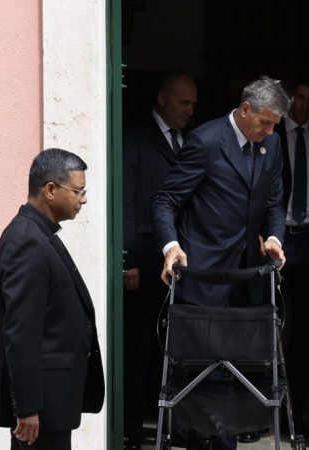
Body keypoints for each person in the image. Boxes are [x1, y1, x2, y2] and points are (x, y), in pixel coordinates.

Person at [151, 75, 290, 450]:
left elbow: (274, 203)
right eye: (265, 122)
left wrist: (274, 238)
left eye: (275, 124)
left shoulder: (272, 144)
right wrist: (170, 246)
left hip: (248, 274)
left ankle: (229, 435)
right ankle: (208, 441)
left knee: (243, 365)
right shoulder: (207, 141)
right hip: (205, 271)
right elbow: (165, 200)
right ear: (245, 110)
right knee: (205, 368)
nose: (271, 130)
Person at [0, 148, 103, 450]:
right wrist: (26, 407)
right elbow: (21, 332)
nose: (84, 199)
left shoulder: (40, 235)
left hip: (52, 402)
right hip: (41, 406)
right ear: (50, 190)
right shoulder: (27, 240)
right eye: (78, 191)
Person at [255, 79, 309, 444]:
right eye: (299, 99)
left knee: (306, 331)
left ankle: (301, 416)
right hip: (275, 237)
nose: (304, 106)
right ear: (289, 100)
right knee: (265, 324)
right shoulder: (270, 137)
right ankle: (259, 414)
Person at [121, 72, 198, 450]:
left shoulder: (189, 141)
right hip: (145, 263)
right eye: (184, 103)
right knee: (138, 352)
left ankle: (173, 427)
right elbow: (126, 198)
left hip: (180, 264)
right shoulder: (135, 137)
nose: (190, 110)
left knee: (177, 349)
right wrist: (128, 259)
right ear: (163, 99)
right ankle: (132, 432)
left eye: (193, 104)